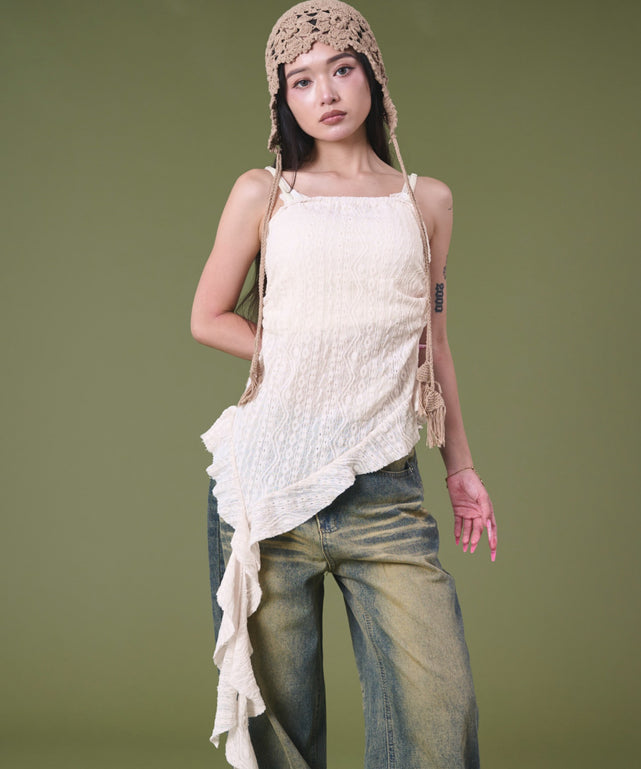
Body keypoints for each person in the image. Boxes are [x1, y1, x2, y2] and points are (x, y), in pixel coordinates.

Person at [191, 2, 498, 768]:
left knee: (440, 713)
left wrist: (460, 468)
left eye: (340, 68)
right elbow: (207, 316)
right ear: (282, 98)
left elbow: (432, 341)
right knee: (281, 735)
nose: (324, 92)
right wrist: (299, 352)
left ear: (371, 75)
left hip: (383, 491)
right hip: (269, 487)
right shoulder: (265, 192)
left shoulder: (424, 201)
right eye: (300, 80)